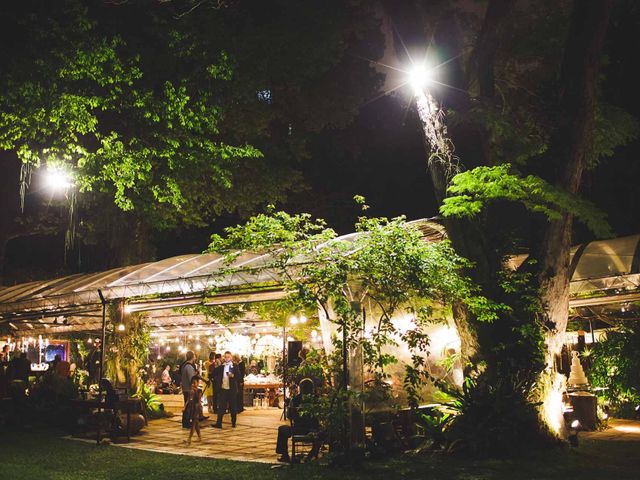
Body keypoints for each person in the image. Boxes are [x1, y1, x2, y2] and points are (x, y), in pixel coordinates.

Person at [275, 378, 320, 463]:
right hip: (313, 429)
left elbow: (289, 416)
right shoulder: (317, 399)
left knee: (282, 429)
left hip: (297, 429)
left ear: (300, 388)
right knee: (324, 432)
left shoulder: (295, 399)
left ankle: (284, 455)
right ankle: (312, 454)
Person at [211, 351, 238, 429]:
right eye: (225, 357)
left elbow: (239, 376)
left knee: (233, 407)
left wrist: (233, 376)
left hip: (231, 390)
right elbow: (213, 373)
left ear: (231, 357)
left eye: (228, 357)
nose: (227, 358)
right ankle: (218, 423)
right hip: (223, 389)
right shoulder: (221, 367)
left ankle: (233, 423)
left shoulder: (234, 366)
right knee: (221, 407)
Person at [184, 376, 203, 445]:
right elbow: (188, 400)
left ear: (197, 383)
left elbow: (199, 401)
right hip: (191, 408)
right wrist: (184, 407)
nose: (193, 384)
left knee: (193, 423)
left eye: (194, 383)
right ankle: (199, 437)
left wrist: (199, 409)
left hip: (196, 408)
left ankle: (189, 438)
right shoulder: (190, 391)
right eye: (192, 383)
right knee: (196, 423)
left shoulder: (199, 391)